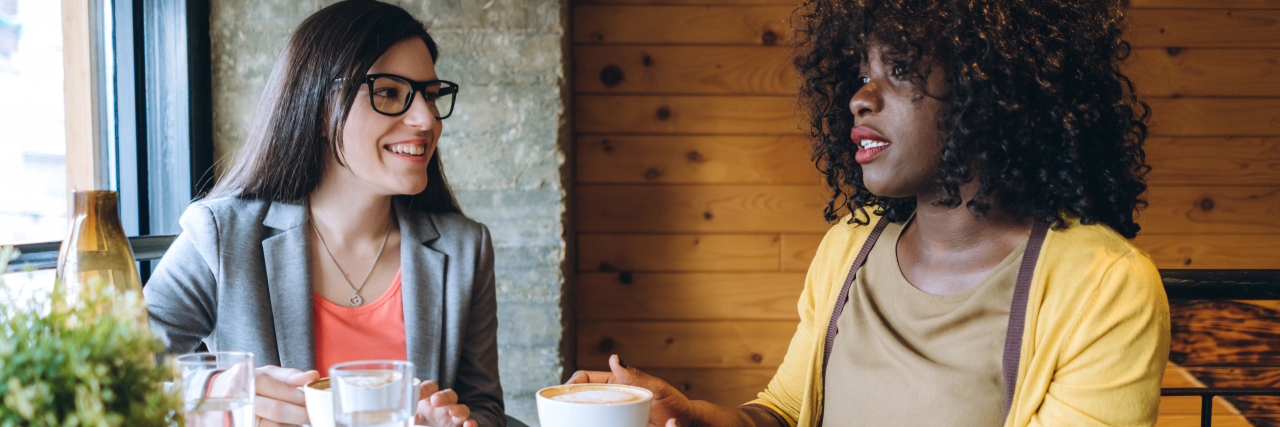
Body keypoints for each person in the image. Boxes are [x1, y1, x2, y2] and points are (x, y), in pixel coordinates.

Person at [570, 0, 1169, 426]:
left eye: (901, 69)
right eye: (863, 73)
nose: (860, 98)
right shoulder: (850, 246)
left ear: (992, 90)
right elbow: (783, 412)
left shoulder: (1102, 286)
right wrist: (695, 418)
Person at [143, 1, 504, 426]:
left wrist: (456, 421)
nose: (426, 119)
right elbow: (113, 376)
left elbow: (485, 408)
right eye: (389, 92)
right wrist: (213, 394)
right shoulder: (222, 236)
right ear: (319, 107)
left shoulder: (465, 249)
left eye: (430, 94)